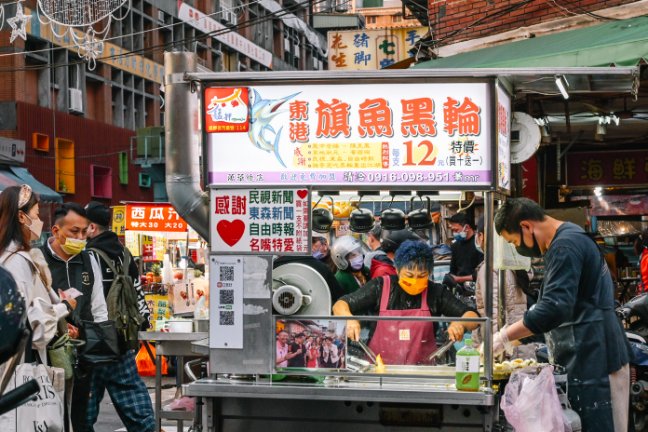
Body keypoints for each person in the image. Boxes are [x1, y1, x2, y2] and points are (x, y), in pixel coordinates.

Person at [492, 197, 630, 431]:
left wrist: (503, 336)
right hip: (586, 355)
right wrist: (517, 336)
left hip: (598, 359)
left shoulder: (565, 246)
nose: (517, 248)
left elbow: (553, 308)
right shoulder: (566, 239)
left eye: (514, 241)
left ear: (526, 226)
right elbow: (552, 304)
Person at [333, 240, 479, 365]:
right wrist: (349, 319)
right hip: (379, 372)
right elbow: (340, 305)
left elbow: (473, 316)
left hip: (421, 375)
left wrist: (461, 323)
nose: (415, 280)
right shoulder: (380, 286)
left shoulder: (435, 292)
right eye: (409, 275)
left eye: (422, 275)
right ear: (396, 270)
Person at [84, 201, 155, 432]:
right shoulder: (125, 254)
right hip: (124, 340)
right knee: (136, 405)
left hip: (95, 343)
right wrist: (142, 326)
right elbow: (138, 295)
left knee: (84, 412)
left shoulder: (88, 256)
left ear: (92, 228)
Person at [41, 202, 109, 432]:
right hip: (47, 353)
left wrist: (98, 343)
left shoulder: (89, 260)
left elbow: (99, 306)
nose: (80, 237)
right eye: (74, 231)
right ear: (56, 230)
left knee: (81, 417)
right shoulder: (39, 261)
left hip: (82, 353)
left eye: (84, 231)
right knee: (50, 414)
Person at [0, 185, 75, 364]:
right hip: (23, 364)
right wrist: (64, 307)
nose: (39, 220)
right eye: (36, 214)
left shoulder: (9, 256)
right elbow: (25, 320)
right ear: (21, 216)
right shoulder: (18, 261)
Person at [471, 216, 527, 345]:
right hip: (517, 343)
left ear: (481, 237)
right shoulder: (514, 263)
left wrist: (496, 349)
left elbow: (493, 314)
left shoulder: (490, 268)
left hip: (504, 348)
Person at [445, 212, 483, 287]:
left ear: (467, 228)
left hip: (477, 286)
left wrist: (459, 279)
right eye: (452, 230)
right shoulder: (455, 246)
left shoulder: (480, 244)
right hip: (460, 289)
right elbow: (453, 271)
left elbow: (482, 272)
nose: (454, 233)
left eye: (456, 230)